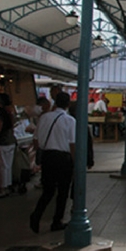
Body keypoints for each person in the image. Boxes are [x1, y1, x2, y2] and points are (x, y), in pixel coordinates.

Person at [29, 92, 76, 233]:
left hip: (47, 157)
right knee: (63, 192)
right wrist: (74, 162)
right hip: (63, 158)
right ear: (68, 104)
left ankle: (36, 215)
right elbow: (72, 144)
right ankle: (56, 221)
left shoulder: (44, 118)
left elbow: (36, 140)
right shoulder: (70, 120)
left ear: (55, 102)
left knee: (48, 190)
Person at [0, 93, 16, 198]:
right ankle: (8, 186)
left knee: (2, 166)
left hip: (3, 142)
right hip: (11, 141)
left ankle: (3, 188)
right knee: (8, 165)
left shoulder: (0, 113)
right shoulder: (10, 112)